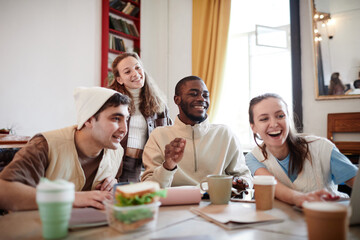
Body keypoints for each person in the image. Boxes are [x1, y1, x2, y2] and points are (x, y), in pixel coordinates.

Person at [0, 87, 131, 211]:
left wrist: (113, 184)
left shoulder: (117, 151)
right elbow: (4, 192)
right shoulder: (44, 145)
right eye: (116, 119)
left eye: (126, 120)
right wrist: (71, 198)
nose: (124, 129)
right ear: (89, 120)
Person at [141, 75, 252, 192]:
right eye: (193, 94)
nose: (201, 99)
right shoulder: (158, 135)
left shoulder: (225, 134)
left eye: (205, 95)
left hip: (216, 205)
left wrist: (242, 183)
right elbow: (148, 187)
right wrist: (168, 166)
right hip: (175, 207)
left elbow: (245, 176)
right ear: (177, 99)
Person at [246, 93, 358, 207]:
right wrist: (303, 199)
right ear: (253, 127)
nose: (274, 124)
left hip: (329, 217)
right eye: (264, 119)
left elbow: (356, 182)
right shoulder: (253, 158)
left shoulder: (322, 148)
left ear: (288, 118)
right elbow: (272, 185)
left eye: (280, 116)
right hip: (286, 221)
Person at [109, 52, 172, 183]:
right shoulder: (110, 104)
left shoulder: (159, 105)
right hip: (115, 168)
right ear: (119, 79)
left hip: (146, 168)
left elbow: (168, 137)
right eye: (127, 71)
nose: (135, 74)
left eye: (138, 67)